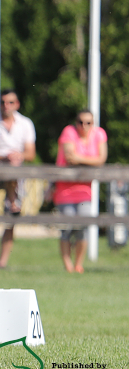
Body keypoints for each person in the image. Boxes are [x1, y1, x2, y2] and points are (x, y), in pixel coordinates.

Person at [0, 90, 36, 269]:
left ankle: (2, 262)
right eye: (4, 102)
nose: (7, 106)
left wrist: (17, 155)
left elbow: (31, 153)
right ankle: (12, 201)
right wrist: (5, 156)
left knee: (11, 220)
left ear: (17, 104)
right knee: (11, 171)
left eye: (10, 102)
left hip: (16, 173)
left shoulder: (25, 123)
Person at [53, 110, 107, 273]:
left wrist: (80, 159)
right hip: (65, 189)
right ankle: (67, 264)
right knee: (67, 227)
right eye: (80, 122)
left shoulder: (99, 134)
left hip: (85, 190)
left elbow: (101, 159)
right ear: (75, 122)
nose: (84, 126)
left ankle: (78, 264)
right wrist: (90, 161)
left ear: (93, 123)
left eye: (88, 122)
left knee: (83, 227)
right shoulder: (68, 132)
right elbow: (70, 158)